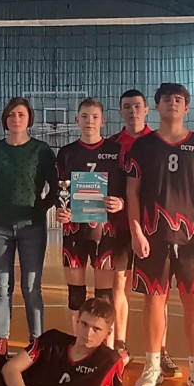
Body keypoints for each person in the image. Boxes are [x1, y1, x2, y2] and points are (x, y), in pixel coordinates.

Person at [125, 83, 194, 386]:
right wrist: (136, 231)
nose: (173, 103)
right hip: (153, 236)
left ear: (187, 107)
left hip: (193, 240)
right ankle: (152, 366)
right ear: (157, 107)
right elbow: (132, 191)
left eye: (179, 99)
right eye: (167, 99)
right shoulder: (142, 147)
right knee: (153, 299)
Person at [109, 89, 180, 376]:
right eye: (127, 107)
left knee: (158, 291)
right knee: (119, 284)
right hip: (119, 227)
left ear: (147, 110)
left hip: (153, 228)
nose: (132, 111)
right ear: (120, 112)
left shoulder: (160, 143)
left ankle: (160, 350)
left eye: (137, 106)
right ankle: (119, 347)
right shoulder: (112, 145)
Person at [0, 97, 58, 355]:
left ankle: (36, 343)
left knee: (31, 288)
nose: (16, 119)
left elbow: (55, 187)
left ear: (29, 119)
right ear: (5, 119)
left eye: (21, 114)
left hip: (32, 228)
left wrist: (40, 208)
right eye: (11, 114)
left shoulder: (41, 150)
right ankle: (1, 341)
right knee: (2, 287)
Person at [54, 98, 125, 336]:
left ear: (103, 121)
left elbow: (127, 188)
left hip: (105, 231)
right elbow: (59, 189)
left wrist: (121, 202)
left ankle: (106, 347)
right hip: (74, 230)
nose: (89, 121)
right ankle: (77, 344)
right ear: (77, 120)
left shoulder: (116, 152)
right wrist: (60, 209)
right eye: (84, 116)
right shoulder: (66, 153)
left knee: (104, 297)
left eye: (95, 117)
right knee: (76, 295)